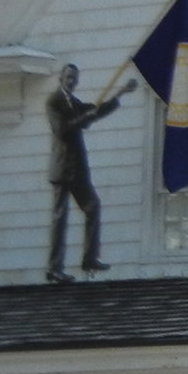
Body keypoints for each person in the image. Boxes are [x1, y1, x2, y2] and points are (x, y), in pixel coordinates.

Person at [46, 62, 137, 284]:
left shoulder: (74, 102)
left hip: (77, 170)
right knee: (60, 217)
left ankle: (89, 258)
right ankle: (54, 268)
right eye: (68, 77)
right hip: (62, 167)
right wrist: (85, 118)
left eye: (74, 78)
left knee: (92, 207)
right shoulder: (54, 102)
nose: (71, 81)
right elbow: (62, 129)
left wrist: (120, 93)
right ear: (61, 78)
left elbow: (95, 111)